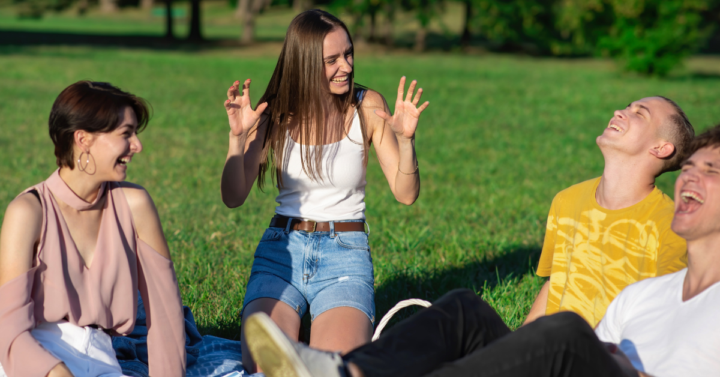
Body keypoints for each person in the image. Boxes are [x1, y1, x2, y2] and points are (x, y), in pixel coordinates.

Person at [241, 124, 720, 377]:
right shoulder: (646, 297)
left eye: (712, 171)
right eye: (692, 166)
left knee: (567, 331)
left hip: (577, 354)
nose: (692, 177)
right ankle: (349, 371)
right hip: (574, 362)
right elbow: (567, 305)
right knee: (465, 309)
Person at [219, 9, 429, 372]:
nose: (346, 66)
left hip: (344, 255)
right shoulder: (275, 114)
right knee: (266, 367)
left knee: (334, 367)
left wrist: (406, 140)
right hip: (280, 252)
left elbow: (405, 192)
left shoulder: (367, 107)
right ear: (303, 64)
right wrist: (237, 139)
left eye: (348, 54)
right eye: (331, 60)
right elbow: (233, 195)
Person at [0, 81, 186, 377]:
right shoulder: (28, 211)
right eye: (126, 134)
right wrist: (55, 372)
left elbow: (165, 313)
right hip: (31, 356)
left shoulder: (135, 205)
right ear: (83, 139)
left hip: (101, 357)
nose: (137, 145)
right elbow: (8, 328)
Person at [524, 96, 693, 327]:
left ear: (660, 148)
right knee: (463, 307)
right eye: (626, 107)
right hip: (549, 344)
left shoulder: (671, 226)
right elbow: (556, 282)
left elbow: (665, 314)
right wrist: (522, 338)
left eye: (640, 114)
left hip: (605, 356)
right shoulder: (567, 200)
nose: (619, 112)